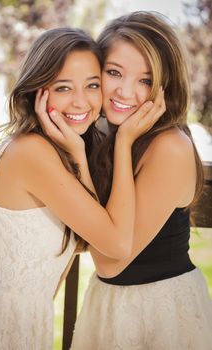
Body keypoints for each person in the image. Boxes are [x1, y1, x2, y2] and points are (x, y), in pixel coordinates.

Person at [0, 27, 163, 350]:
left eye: (92, 85)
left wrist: (79, 154)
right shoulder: (31, 152)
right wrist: (125, 141)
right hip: (2, 325)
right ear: (39, 90)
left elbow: (91, 233)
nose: (81, 101)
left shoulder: (55, 151)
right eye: (64, 87)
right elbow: (115, 243)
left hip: (23, 320)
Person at [69, 11, 212, 350]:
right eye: (114, 72)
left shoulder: (169, 147)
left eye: (145, 81)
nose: (126, 91)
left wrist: (121, 145)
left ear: (164, 87)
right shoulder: (104, 132)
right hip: (108, 302)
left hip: (157, 311)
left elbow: (109, 261)